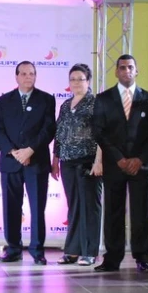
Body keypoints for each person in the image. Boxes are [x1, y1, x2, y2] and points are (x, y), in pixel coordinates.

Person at [93, 54, 148, 272]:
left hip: (141, 165)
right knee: (113, 212)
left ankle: (142, 257)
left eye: (130, 67)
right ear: (116, 71)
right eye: (122, 67)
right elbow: (99, 132)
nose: (126, 71)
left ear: (136, 70)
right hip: (114, 165)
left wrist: (140, 159)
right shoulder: (103, 99)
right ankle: (112, 258)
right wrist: (119, 158)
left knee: (141, 213)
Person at [0, 61, 56, 265]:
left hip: (36, 161)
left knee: (37, 207)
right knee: (11, 207)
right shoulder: (4, 100)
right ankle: (13, 249)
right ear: (16, 76)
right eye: (24, 73)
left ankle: (37, 250)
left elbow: (48, 129)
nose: (28, 77)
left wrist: (30, 150)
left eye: (32, 73)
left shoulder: (46, 99)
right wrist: (13, 152)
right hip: (11, 162)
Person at [51, 64, 103, 266]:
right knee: (74, 206)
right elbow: (59, 134)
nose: (76, 83)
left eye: (80, 79)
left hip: (89, 161)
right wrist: (55, 160)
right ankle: (72, 250)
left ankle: (89, 251)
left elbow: (102, 135)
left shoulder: (95, 103)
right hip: (68, 162)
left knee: (90, 206)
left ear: (88, 81)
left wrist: (99, 161)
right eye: (72, 79)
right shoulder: (65, 105)